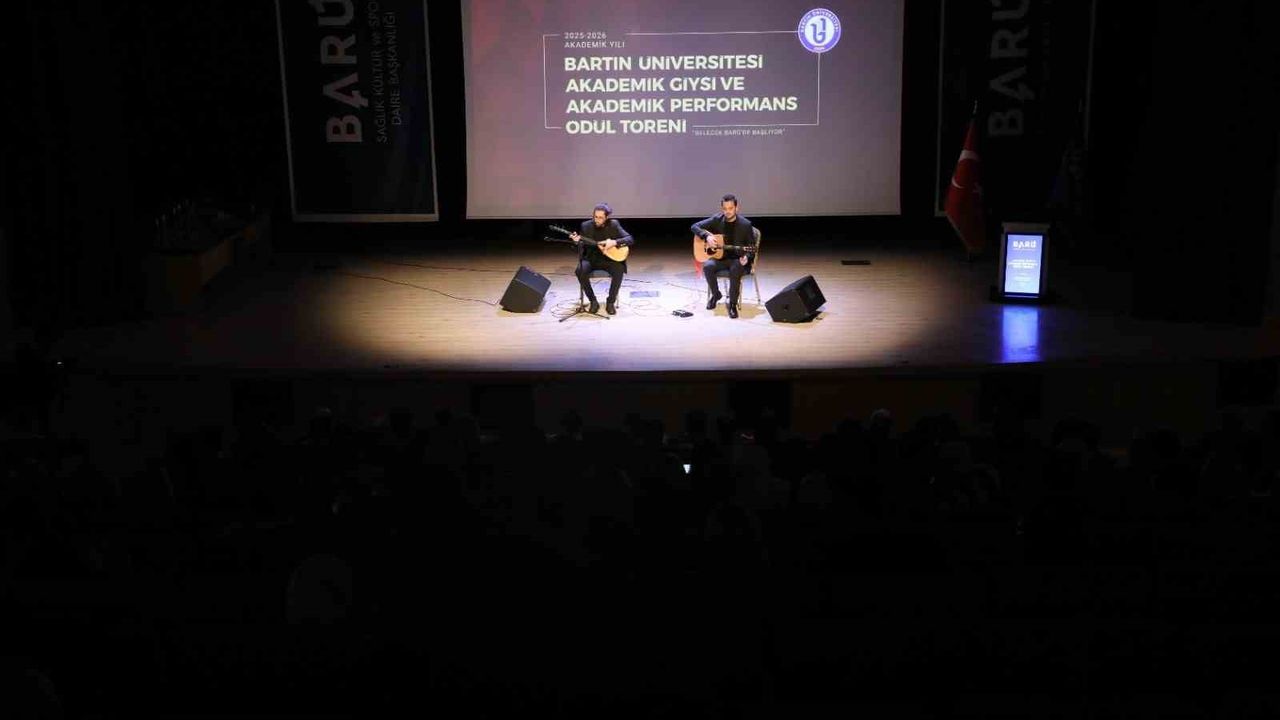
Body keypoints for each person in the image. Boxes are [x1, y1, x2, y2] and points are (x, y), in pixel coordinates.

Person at [691, 194, 754, 318]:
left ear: (736, 208)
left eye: (730, 208)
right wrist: (707, 236)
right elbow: (694, 226)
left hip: (737, 260)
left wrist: (747, 257)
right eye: (725, 209)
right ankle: (716, 295)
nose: (727, 212)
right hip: (720, 258)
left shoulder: (745, 224)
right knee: (708, 266)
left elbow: (751, 249)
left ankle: (733, 304)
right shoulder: (717, 219)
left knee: (736, 269)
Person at [571, 202, 634, 315]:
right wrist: (576, 242)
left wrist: (614, 242)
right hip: (591, 258)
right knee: (580, 270)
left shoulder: (614, 224)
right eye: (595, 217)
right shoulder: (585, 226)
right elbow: (581, 247)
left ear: (607, 217)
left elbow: (630, 239)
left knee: (619, 269)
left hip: (609, 259)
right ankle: (593, 301)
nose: (597, 220)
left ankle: (610, 302)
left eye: (600, 217)